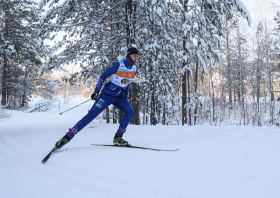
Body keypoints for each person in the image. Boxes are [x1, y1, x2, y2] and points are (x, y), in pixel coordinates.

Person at [54, 47, 139, 149]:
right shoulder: (117, 65)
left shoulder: (135, 69)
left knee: (130, 111)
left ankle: (118, 137)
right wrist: (96, 92)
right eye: (134, 56)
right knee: (90, 116)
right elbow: (102, 77)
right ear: (128, 55)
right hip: (107, 96)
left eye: (137, 56)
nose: (136, 58)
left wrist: (126, 93)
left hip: (120, 96)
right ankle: (66, 137)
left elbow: (129, 81)